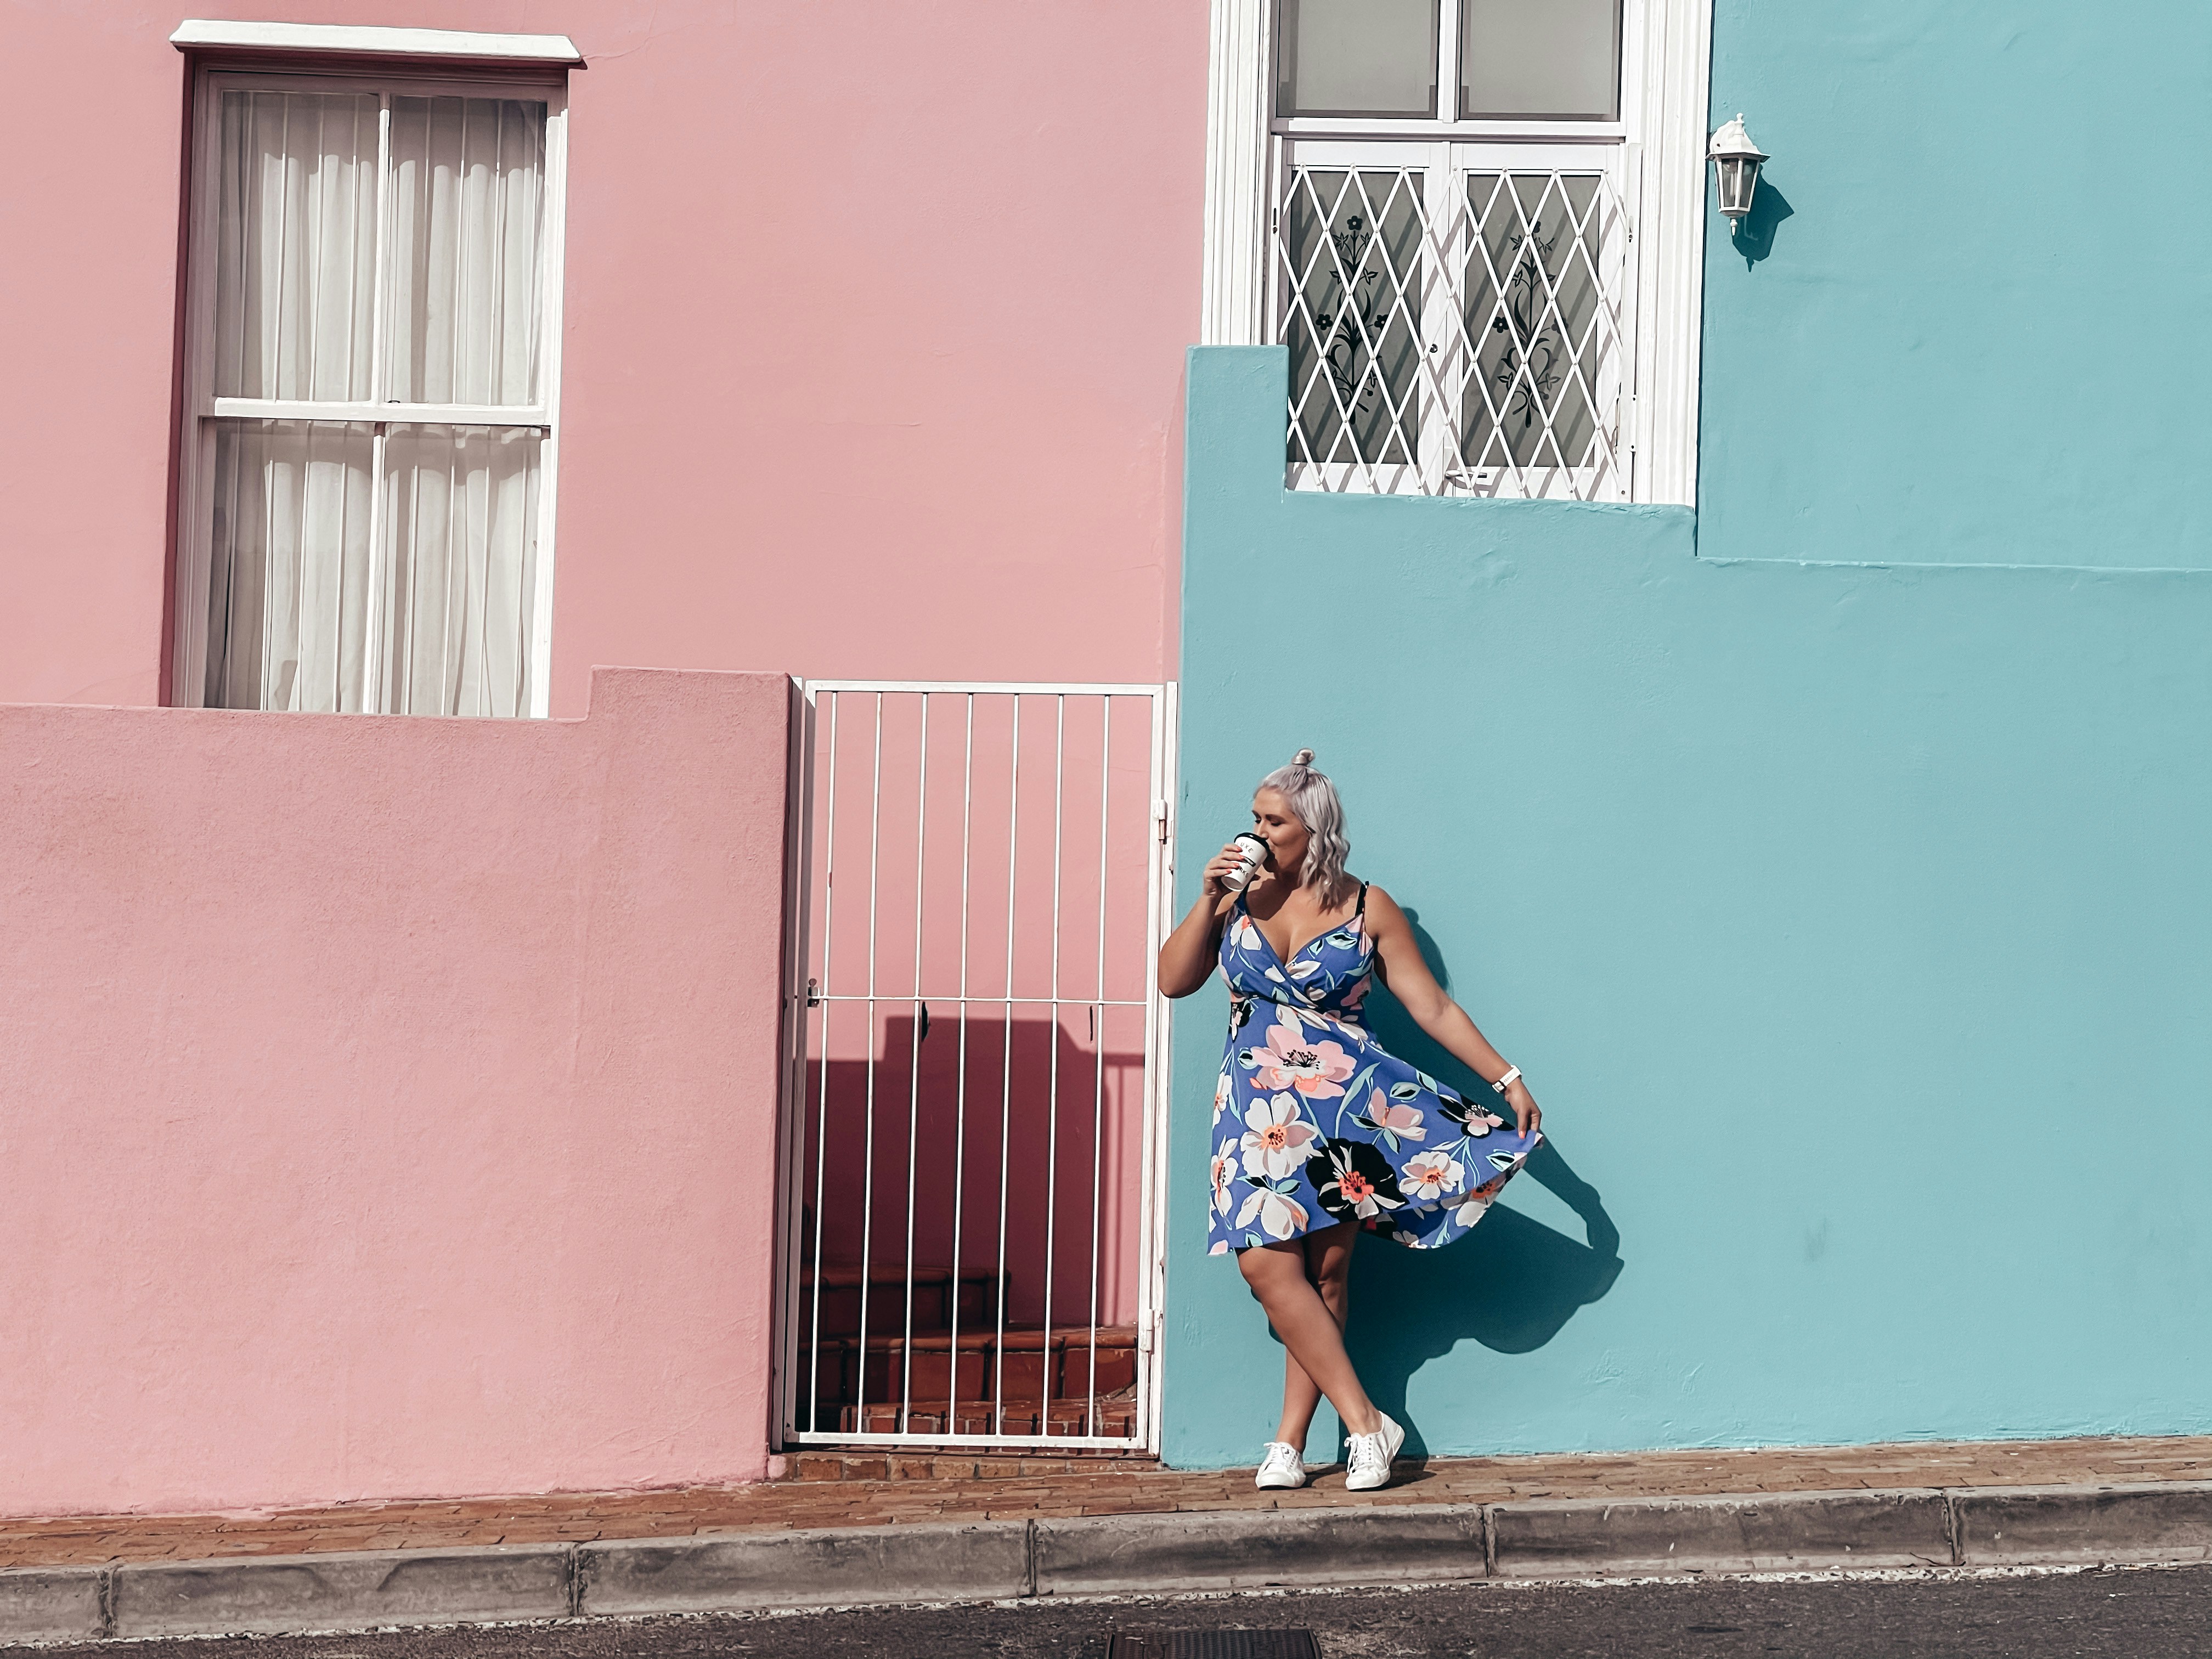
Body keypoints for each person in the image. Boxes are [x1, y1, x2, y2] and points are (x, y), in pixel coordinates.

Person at [1158, 749, 1544, 1492]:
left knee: (1327, 1273)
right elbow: (1174, 981)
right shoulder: (1236, 898)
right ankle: (1368, 1423)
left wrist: (1507, 1078)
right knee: (1265, 1264)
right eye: (1255, 819)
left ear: (1314, 830)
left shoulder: (1369, 906)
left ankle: (1289, 1443)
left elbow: (1430, 1007)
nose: (1258, 833)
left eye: (1273, 821)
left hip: (1341, 1110)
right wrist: (1207, 899)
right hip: (1254, 1110)